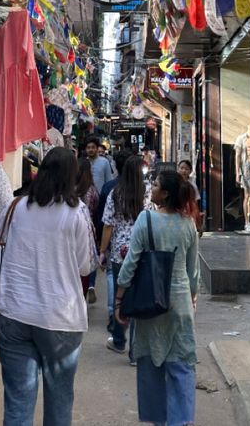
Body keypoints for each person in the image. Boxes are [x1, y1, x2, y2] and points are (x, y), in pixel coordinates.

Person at [0, 146, 95, 426]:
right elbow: (85, 266)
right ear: (71, 176)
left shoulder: (15, 207)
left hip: (14, 312)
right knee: (60, 401)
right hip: (60, 318)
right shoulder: (77, 214)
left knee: (17, 401)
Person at [115, 171, 200, 426]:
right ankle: (181, 421)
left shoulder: (146, 219)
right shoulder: (188, 224)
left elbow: (131, 263)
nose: (150, 188)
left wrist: (120, 297)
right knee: (182, 364)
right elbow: (192, 271)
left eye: (154, 185)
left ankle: (157, 419)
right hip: (180, 300)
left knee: (150, 363)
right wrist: (192, 298)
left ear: (164, 194)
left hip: (150, 300)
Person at [99, 154, 149, 363]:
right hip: (143, 251)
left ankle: (119, 340)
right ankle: (135, 353)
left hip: (120, 252)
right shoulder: (147, 193)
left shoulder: (115, 193)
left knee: (121, 296)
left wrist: (102, 251)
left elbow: (108, 225)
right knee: (138, 300)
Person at [96, 147, 132, 331]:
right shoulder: (145, 188)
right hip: (139, 247)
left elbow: (106, 222)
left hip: (117, 247)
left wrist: (102, 249)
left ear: (116, 167)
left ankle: (114, 316)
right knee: (133, 285)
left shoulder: (110, 188)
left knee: (113, 277)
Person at [76, 156, 100, 301]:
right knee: (90, 258)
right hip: (89, 227)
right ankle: (90, 285)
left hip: (74, 228)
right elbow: (96, 207)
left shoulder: (70, 188)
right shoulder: (92, 189)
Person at [234, 123, 250, 233]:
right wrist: (237, 172)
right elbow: (237, 156)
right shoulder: (241, 138)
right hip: (246, 166)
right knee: (248, 196)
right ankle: (247, 223)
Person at [178, 160, 204, 236]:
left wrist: (199, 224)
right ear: (178, 169)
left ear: (190, 171)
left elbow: (195, 205)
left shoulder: (192, 186)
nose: (183, 171)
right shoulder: (174, 184)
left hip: (188, 215)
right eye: (181, 168)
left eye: (186, 169)